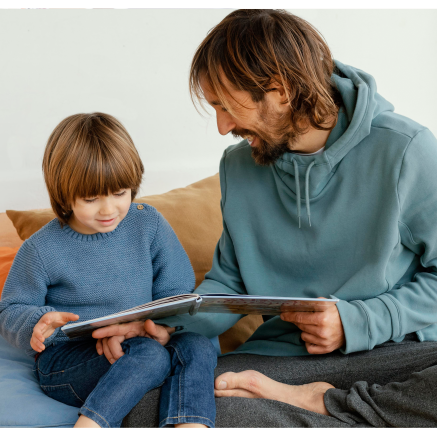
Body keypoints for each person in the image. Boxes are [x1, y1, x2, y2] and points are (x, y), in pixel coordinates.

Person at [94, 9, 437, 428]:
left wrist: (360, 322)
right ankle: (337, 408)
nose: (222, 127)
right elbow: (230, 285)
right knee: (149, 407)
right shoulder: (238, 167)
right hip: (281, 364)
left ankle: (323, 406)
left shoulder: (406, 150)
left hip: (395, 356)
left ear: (281, 91)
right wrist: (163, 327)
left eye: (225, 106)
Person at [0, 113, 217, 429]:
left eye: (120, 193)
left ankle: (190, 424)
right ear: (64, 194)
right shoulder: (40, 249)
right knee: (150, 356)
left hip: (142, 339)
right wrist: (37, 322)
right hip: (68, 362)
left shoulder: (148, 224)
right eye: (91, 198)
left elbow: (177, 292)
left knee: (197, 344)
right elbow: (10, 309)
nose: (108, 209)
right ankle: (90, 424)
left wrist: (160, 328)